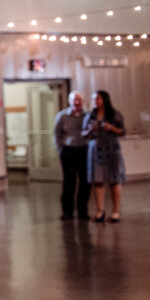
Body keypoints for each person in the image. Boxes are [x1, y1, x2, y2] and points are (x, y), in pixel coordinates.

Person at [82, 90, 126, 223]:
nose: (96, 102)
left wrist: (111, 128)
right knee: (98, 180)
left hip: (111, 148)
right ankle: (100, 211)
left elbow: (122, 131)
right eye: (94, 99)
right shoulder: (90, 116)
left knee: (114, 180)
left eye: (98, 99)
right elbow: (83, 133)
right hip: (96, 148)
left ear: (104, 100)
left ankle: (116, 211)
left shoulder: (115, 114)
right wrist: (91, 129)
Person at [53, 91, 91, 220]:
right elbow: (56, 134)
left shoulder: (88, 115)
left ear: (83, 101)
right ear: (69, 101)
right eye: (74, 100)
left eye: (79, 100)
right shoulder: (62, 116)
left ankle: (83, 211)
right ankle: (67, 212)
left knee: (85, 182)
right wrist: (60, 150)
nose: (77, 102)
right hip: (68, 151)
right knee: (69, 182)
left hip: (84, 150)